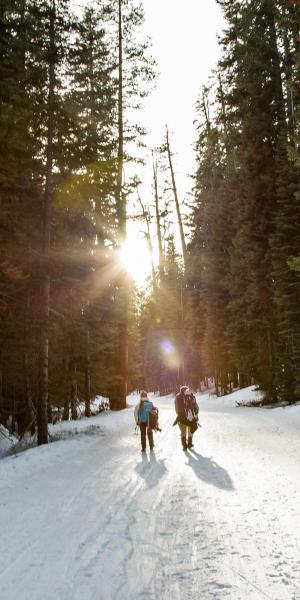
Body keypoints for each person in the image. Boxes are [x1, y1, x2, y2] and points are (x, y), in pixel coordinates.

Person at [174, 385, 199, 450]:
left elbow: (176, 408)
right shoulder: (191, 396)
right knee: (190, 431)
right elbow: (195, 406)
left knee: (183, 432)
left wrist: (179, 414)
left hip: (181, 417)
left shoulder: (178, 397)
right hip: (191, 416)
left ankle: (184, 446)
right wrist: (195, 414)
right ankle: (190, 444)